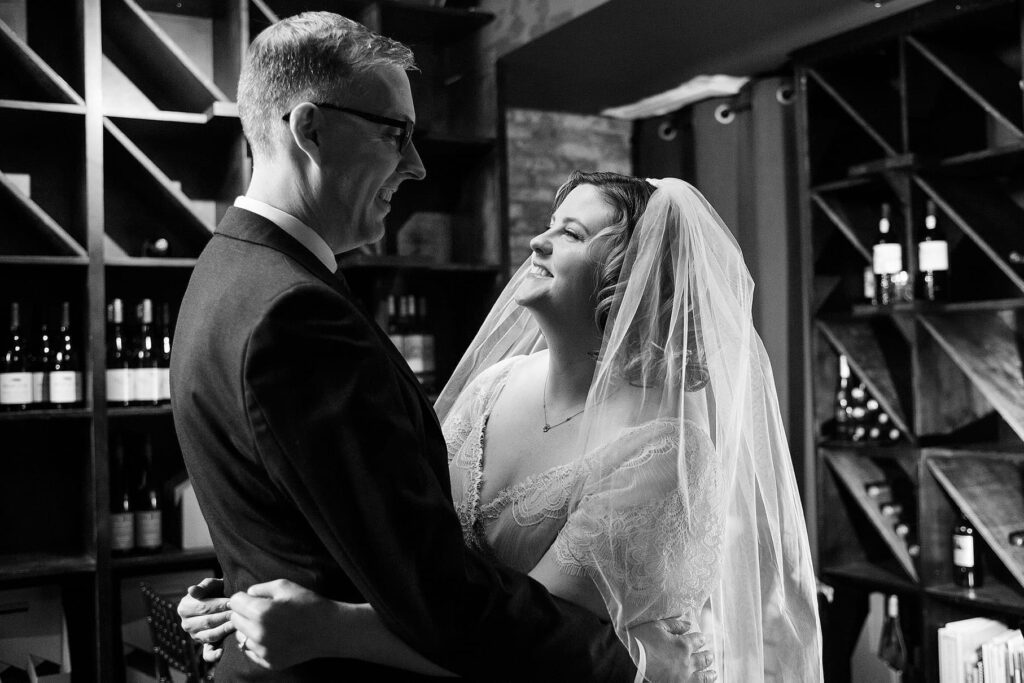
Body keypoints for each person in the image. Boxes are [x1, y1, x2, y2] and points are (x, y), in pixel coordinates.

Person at [171, 10, 705, 682]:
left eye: (569, 234)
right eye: (396, 133)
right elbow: (430, 587)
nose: (417, 165)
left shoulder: (229, 272)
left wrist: (258, 585)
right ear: (310, 129)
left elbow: (342, 527)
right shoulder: (296, 314)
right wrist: (626, 666)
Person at [179, 171, 823, 681]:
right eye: (549, 226)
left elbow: (525, 638)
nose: (538, 243)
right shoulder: (493, 388)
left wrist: (331, 626)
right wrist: (245, 597)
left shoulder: (662, 454)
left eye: (570, 233)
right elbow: (407, 548)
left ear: (626, 278)